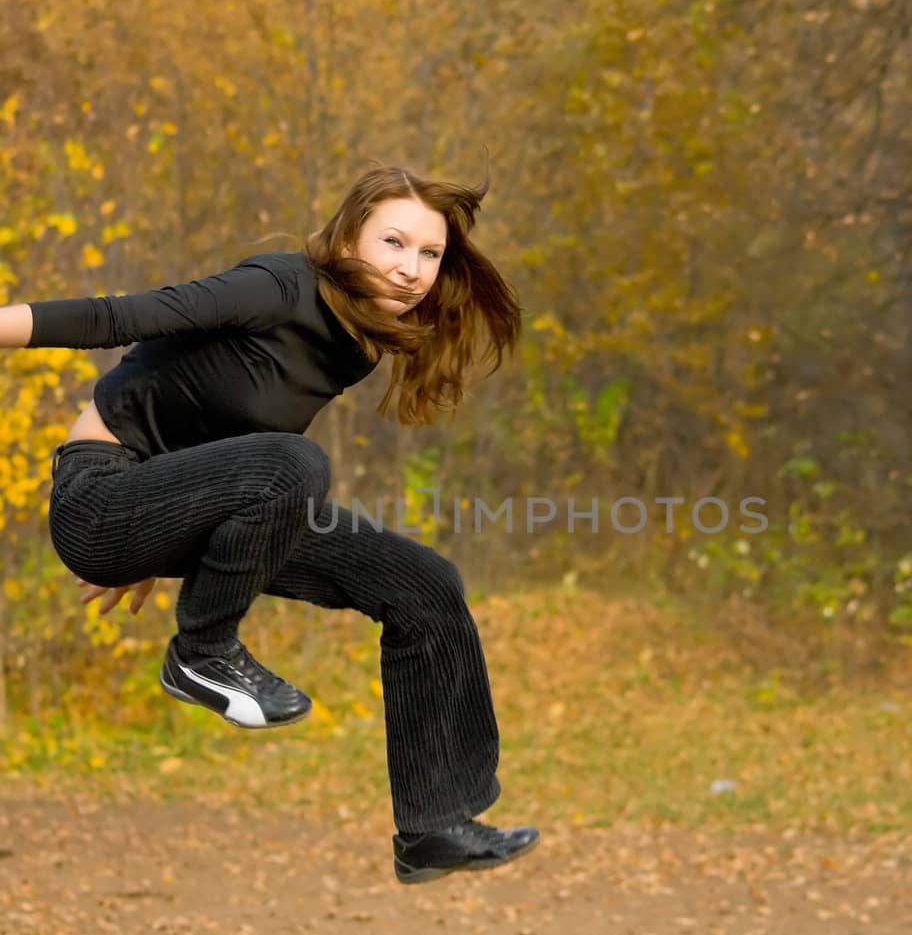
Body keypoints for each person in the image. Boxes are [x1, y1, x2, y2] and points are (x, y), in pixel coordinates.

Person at [0, 162, 538, 886]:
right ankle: (203, 652)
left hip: (167, 505)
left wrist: (170, 541)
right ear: (347, 239)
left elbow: (221, 443)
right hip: (102, 496)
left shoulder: (354, 338)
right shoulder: (277, 286)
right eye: (393, 243)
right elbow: (115, 316)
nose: (411, 269)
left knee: (423, 584)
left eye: (429, 254)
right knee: (295, 463)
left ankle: (435, 824)